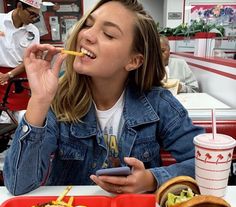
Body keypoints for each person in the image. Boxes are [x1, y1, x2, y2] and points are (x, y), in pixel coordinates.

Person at [3, 0, 204, 196]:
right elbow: (19, 185)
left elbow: (205, 165)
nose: (87, 35)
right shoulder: (59, 100)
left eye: (108, 34)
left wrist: (152, 179)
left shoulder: (159, 104)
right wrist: (39, 100)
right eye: (88, 24)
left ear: (134, 60)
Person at [0, 0, 41, 112]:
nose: (33, 18)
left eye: (37, 16)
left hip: (19, 78)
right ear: (19, 6)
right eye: (31, 14)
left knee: (23, 115)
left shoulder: (33, 31)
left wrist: (9, 75)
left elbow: (31, 60)